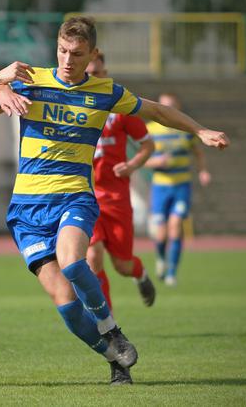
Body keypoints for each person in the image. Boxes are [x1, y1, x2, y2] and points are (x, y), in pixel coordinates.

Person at [0, 16, 229, 386]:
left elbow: (156, 111)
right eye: (61, 50)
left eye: (76, 53)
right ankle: (112, 357)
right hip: (26, 210)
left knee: (75, 263)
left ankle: (112, 329)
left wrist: (200, 130)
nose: (67, 59)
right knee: (65, 302)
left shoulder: (105, 92)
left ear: (91, 54)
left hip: (74, 196)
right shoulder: (31, 81)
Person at [85, 52, 157, 310]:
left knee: (123, 265)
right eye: (92, 74)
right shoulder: (72, 108)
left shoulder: (119, 107)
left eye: (101, 73)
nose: (98, 78)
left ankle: (140, 274)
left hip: (116, 198)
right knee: (92, 257)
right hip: (85, 196)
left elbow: (148, 145)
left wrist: (133, 165)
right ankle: (108, 324)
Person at [144, 93, 212, 287]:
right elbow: (141, 159)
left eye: (171, 106)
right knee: (161, 233)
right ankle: (160, 258)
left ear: (177, 108)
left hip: (182, 184)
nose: (167, 110)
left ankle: (172, 273)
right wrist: (154, 161)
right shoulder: (150, 130)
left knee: (175, 227)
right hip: (160, 186)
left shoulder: (186, 130)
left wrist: (203, 171)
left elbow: (198, 153)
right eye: (163, 106)